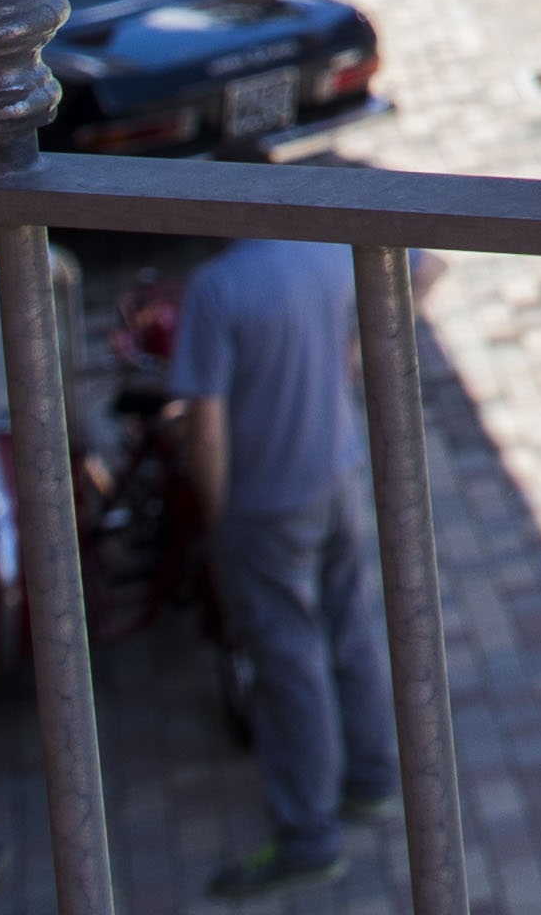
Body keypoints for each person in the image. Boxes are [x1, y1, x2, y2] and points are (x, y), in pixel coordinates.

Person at [163, 235, 398, 897]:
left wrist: (216, 520)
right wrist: (356, 349)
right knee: (348, 624)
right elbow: (428, 263)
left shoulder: (216, 287)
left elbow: (204, 426)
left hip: (264, 507)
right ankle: (373, 781)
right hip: (335, 478)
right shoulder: (322, 248)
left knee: (288, 660)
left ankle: (309, 838)